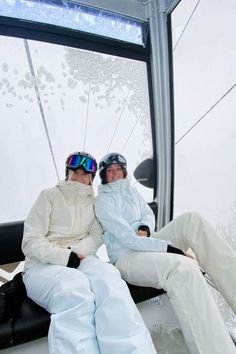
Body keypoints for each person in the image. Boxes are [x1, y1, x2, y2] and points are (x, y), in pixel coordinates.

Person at [95, 152, 236, 354]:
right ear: (104, 175)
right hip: (127, 257)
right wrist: (172, 249)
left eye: (118, 169)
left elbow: (146, 214)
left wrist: (145, 227)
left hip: (146, 243)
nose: (115, 173)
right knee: (182, 269)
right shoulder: (103, 202)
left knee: (191, 221)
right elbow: (126, 238)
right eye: (110, 171)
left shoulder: (131, 192)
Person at [22, 151, 157, 354]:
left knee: (110, 279)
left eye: (85, 174)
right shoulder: (49, 196)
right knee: (73, 289)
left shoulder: (94, 203)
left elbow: (96, 235)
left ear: (91, 179)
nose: (79, 175)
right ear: (67, 173)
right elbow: (31, 241)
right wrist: (63, 256)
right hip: (42, 265)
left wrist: (76, 253)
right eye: (75, 171)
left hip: (81, 258)